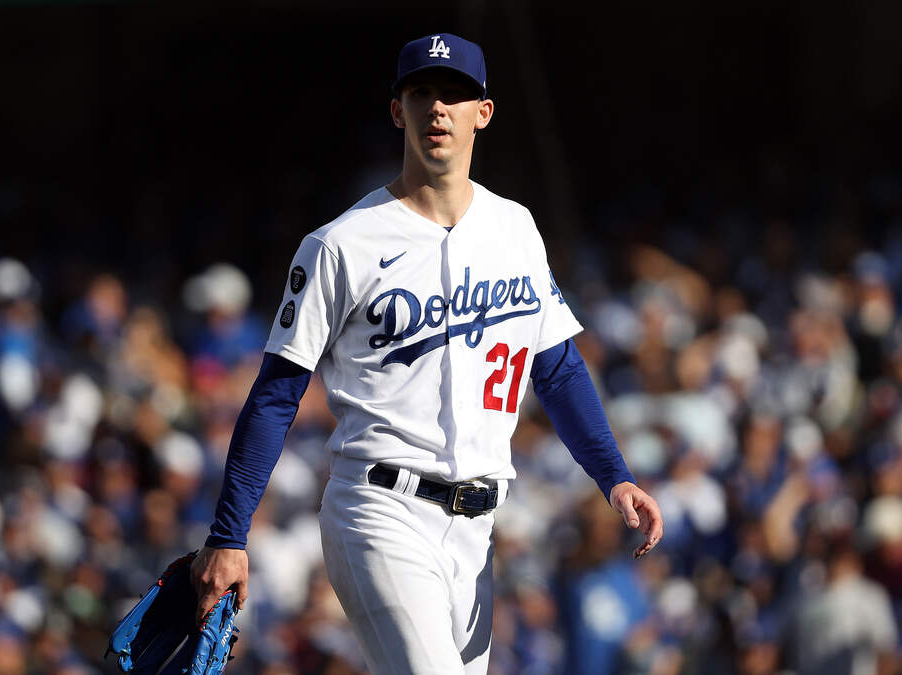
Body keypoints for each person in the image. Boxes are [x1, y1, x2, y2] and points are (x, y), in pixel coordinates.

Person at [188, 33, 663, 674]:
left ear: (482, 113)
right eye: (422, 93)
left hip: (477, 528)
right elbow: (276, 393)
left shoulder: (515, 228)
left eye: (455, 94)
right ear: (398, 111)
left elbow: (556, 367)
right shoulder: (341, 244)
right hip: (378, 508)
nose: (438, 108)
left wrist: (615, 476)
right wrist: (229, 533)